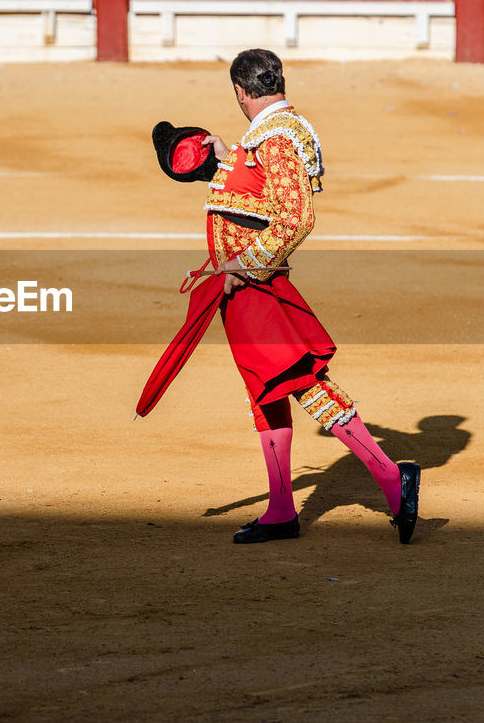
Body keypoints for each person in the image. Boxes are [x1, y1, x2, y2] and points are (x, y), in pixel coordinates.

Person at [145, 48, 420, 545]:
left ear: (239, 91)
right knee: (265, 388)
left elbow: (296, 219)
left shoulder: (277, 137)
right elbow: (262, 197)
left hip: (254, 284)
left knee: (300, 380)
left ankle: (390, 477)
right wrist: (229, 158)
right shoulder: (267, 137)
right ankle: (280, 509)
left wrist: (241, 266)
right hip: (241, 285)